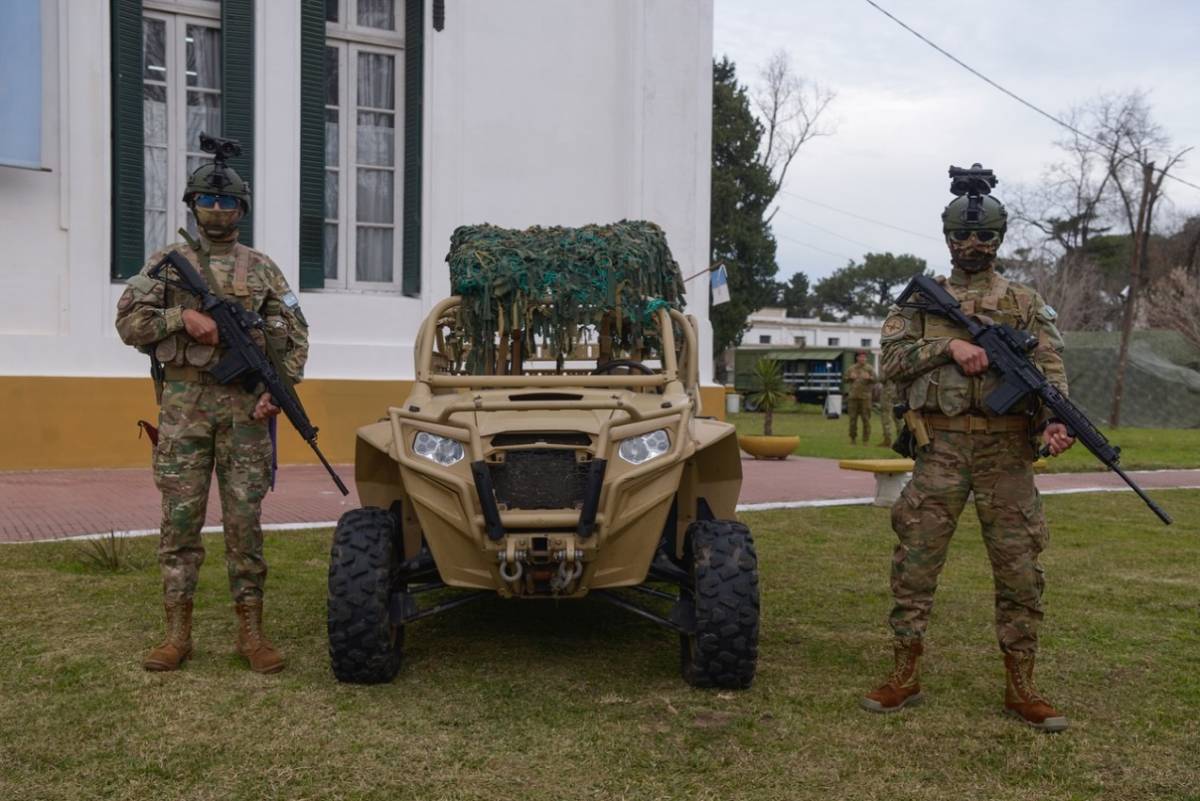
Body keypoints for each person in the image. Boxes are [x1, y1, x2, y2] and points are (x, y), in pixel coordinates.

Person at [860, 175, 1076, 731]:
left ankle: (1021, 685)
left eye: (983, 237)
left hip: (1007, 454)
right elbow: (892, 360)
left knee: (1020, 568)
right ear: (948, 237)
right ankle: (903, 674)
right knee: (916, 562)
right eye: (963, 236)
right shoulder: (919, 300)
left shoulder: (1025, 303)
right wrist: (949, 346)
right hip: (943, 447)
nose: (973, 247)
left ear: (1000, 237)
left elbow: (1050, 371)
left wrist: (1056, 420)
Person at [115, 147, 309, 674]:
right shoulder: (164, 264)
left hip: (247, 412)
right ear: (192, 205)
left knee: (245, 523)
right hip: (183, 410)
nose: (217, 209)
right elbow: (129, 324)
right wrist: (182, 317)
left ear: (241, 209)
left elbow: (295, 335)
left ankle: (252, 632)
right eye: (207, 199)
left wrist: (280, 389)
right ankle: (176, 634)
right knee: (179, 524)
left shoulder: (263, 269)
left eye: (226, 200)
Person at [844, 351, 875, 445]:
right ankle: (853, 439)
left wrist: (870, 378)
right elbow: (844, 379)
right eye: (860, 357)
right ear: (857, 358)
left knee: (866, 419)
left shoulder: (869, 368)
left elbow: (877, 379)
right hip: (853, 397)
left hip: (865, 398)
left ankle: (865, 440)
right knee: (852, 419)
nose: (862, 359)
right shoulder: (851, 368)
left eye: (864, 357)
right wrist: (850, 377)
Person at [876, 380, 896, 448]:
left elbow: (882, 378)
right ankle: (903, 441)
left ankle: (888, 441)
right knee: (899, 418)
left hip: (888, 394)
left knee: (886, 418)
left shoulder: (889, 369)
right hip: (897, 392)